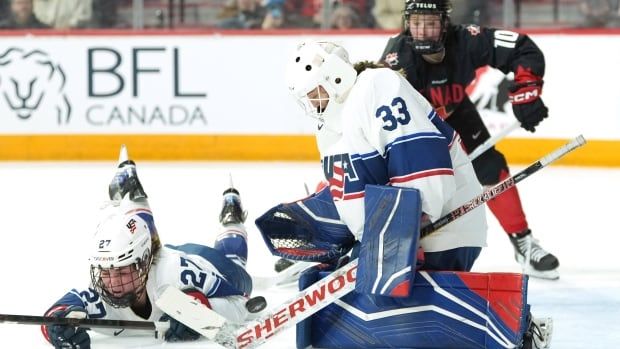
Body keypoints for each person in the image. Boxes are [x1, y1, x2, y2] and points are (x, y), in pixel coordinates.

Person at [379, 0, 559, 279]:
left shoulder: (467, 40)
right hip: (416, 125)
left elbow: (522, 47)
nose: (423, 31)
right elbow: (383, 113)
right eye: (416, 22)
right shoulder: (397, 58)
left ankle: (523, 243)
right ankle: (356, 238)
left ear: (445, 23)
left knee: (491, 168)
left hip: (455, 112)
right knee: (398, 178)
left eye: (431, 22)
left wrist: (527, 89)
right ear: (406, 23)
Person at [285, 41, 487, 272]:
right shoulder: (331, 127)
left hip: (441, 237)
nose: (312, 104)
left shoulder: (376, 87)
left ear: (335, 77)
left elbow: (421, 163)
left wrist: (407, 232)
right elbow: (352, 193)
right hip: (392, 240)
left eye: (314, 93)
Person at [40, 147, 263, 348]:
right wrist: (57, 328)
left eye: (122, 270)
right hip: (157, 258)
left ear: (143, 264)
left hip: (209, 261)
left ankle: (232, 219)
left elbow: (240, 303)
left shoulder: (176, 275)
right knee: (139, 239)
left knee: (237, 270)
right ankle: (130, 189)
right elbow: (54, 314)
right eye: (107, 271)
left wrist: (200, 310)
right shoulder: (101, 291)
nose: (114, 283)